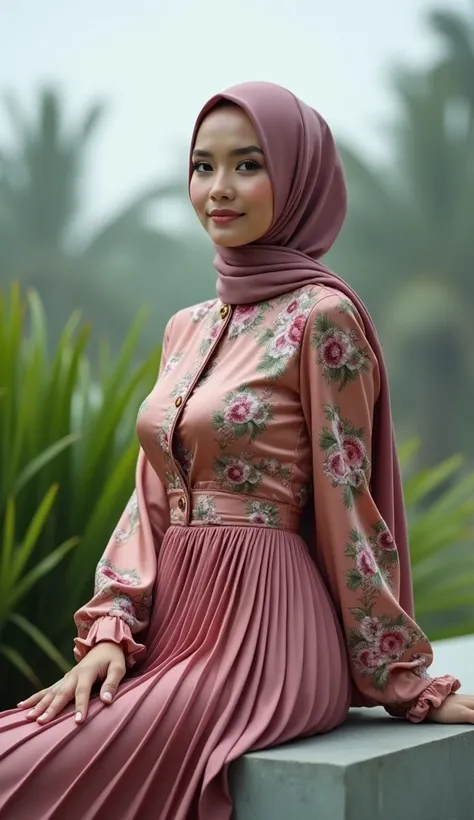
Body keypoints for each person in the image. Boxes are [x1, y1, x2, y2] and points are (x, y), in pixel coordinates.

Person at [0, 81, 472, 820]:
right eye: (203, 166)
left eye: (248, 165)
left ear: (298, 179)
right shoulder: (185, 327)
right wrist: (111, 633)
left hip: (266, 636)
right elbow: (149, 499)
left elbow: (350, 508)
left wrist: (404, 681)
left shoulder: (325, 318)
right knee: (22, 739)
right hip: (173, 626)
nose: (219, 189)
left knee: (30, 769)